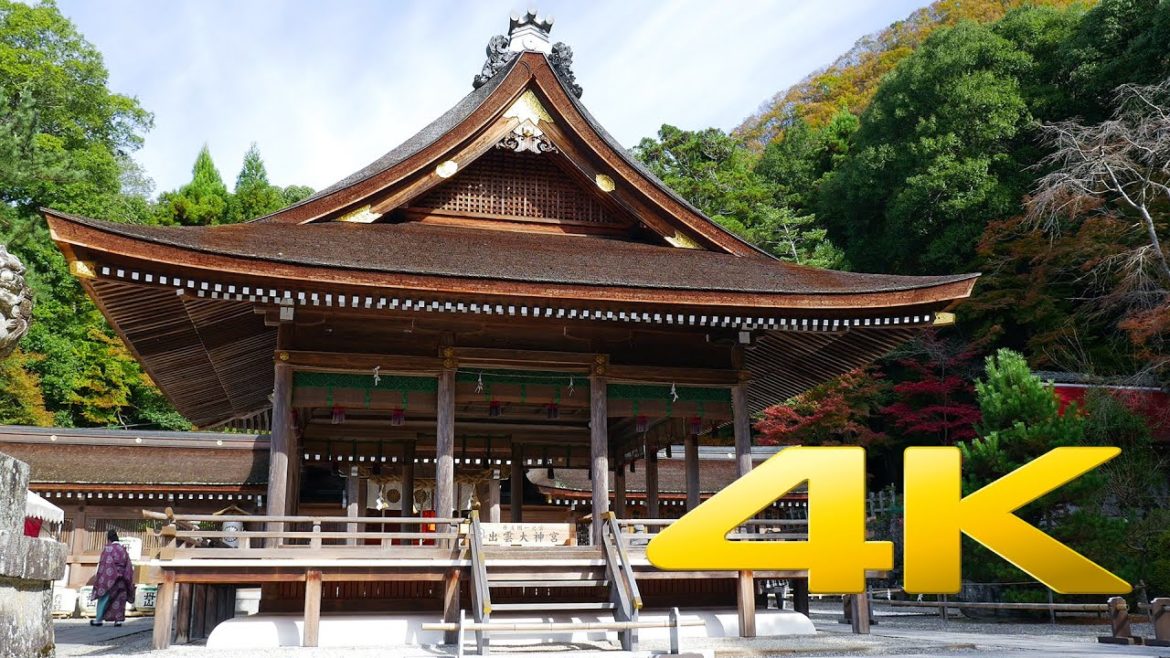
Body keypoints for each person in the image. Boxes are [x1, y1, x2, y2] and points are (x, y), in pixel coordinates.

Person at [90, 528, 134, 627]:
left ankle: (99, 619)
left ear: (108, 539)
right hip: (122, 578)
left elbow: (105, 564)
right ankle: (118, 620)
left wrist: (103, 577)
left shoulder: (108, 549)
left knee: (103, 597)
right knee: (119, 598)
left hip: (110, 577)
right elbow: (128, 565)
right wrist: (126, 576)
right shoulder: (123, 549)